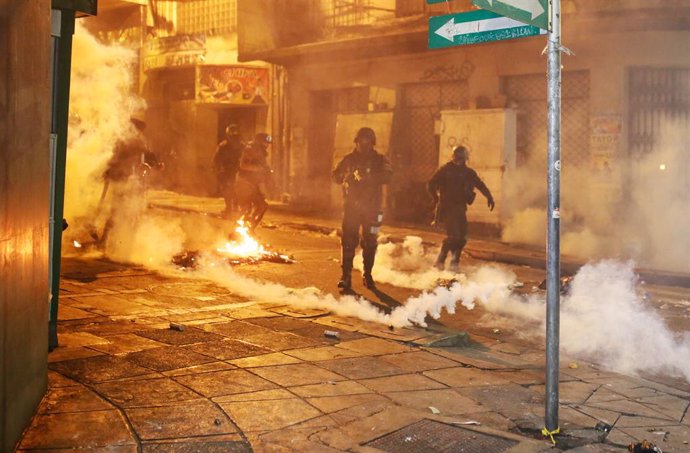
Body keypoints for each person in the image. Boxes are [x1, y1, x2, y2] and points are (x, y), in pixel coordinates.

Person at [332, 127, 392, 290]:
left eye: (367, 142)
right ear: (356, 142)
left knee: (370, 242)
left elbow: (388, 176)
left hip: (372, 207)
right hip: (352, 207)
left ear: (372, 143)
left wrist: (369, 178)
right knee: (348, 241)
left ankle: (368, 274)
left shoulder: (380, 160)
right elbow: (335, 176)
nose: (364, 145)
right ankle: (346, 277)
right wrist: (346, 177)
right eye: (361, 142)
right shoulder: (349, 160)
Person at [428, 145, 495, 272]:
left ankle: (454, 261)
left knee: (462, 237)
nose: (459, 160)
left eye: (461, 158)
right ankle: (441, 260)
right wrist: (435, 199)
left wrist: (489, 196)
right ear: (454, 157)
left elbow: (480, 184)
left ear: (465, 158)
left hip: (460, 208)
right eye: (458, 157)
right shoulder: (445, 170)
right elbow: (431, 184)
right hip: (447, 208)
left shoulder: (468, 172)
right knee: (453, 236)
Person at [235, 132, 273, 228]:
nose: (267, 145)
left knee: (262, 206)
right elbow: (243, 165)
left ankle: (250, 228)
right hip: (244, 183)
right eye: (265, 143)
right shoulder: (250, 150)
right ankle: (239, 231)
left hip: (254, 184)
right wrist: (258, 169)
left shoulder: (261, 153)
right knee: (246, 209)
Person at [213, 124, 244, 217]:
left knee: (232, 190)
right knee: (228, 190)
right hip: (228, 171)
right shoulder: (224, 146)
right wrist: (217, 168)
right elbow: (217, 158)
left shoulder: (240, 146)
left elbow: (216, 159)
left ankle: (232, 208)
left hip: (234, 171)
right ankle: (231, 208)